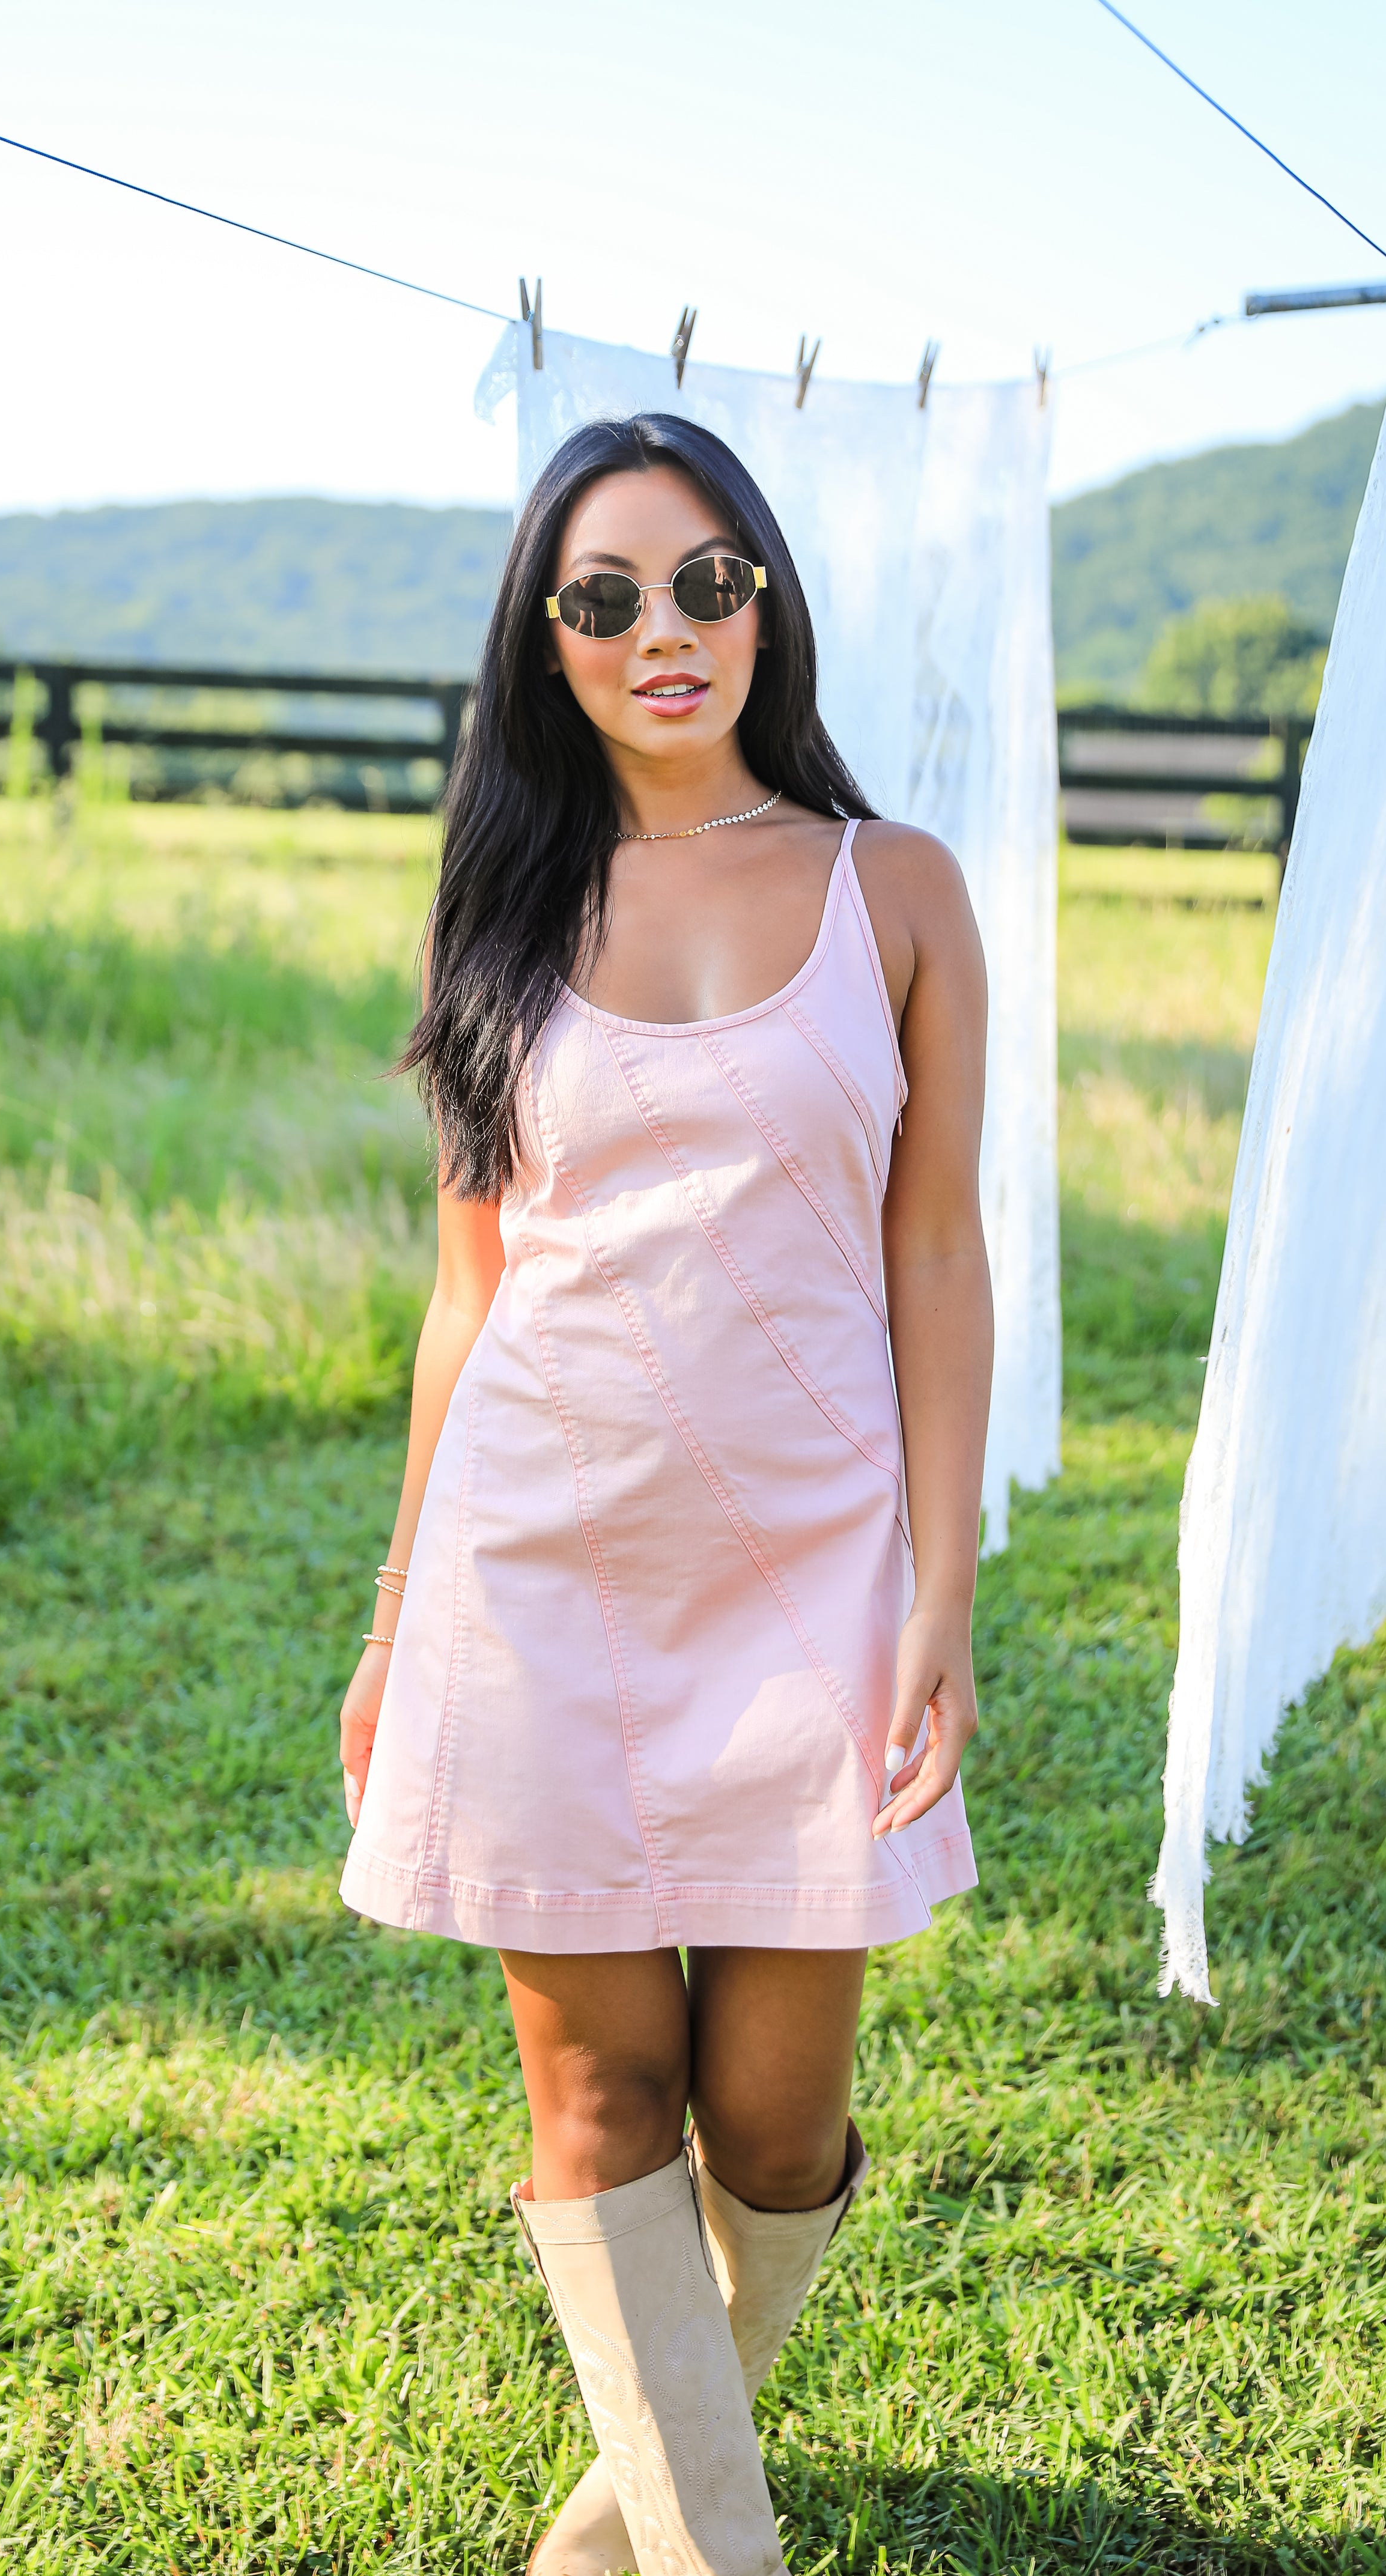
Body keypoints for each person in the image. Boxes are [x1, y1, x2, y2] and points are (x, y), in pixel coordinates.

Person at [338, 412, 991, 2576]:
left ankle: (630, 2503)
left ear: (767, 595)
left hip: (814, 1574)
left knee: (779, 2130)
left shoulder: (894, 888)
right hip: (537, 1572)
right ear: (548, 644)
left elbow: (933, 1251)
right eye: (605, 598)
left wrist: (939, 1593)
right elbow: (468, 1290)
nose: (665, 629)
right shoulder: (502, 903)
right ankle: (712, 2545)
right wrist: (391, 1617)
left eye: (707, 578)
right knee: (604, 2105)